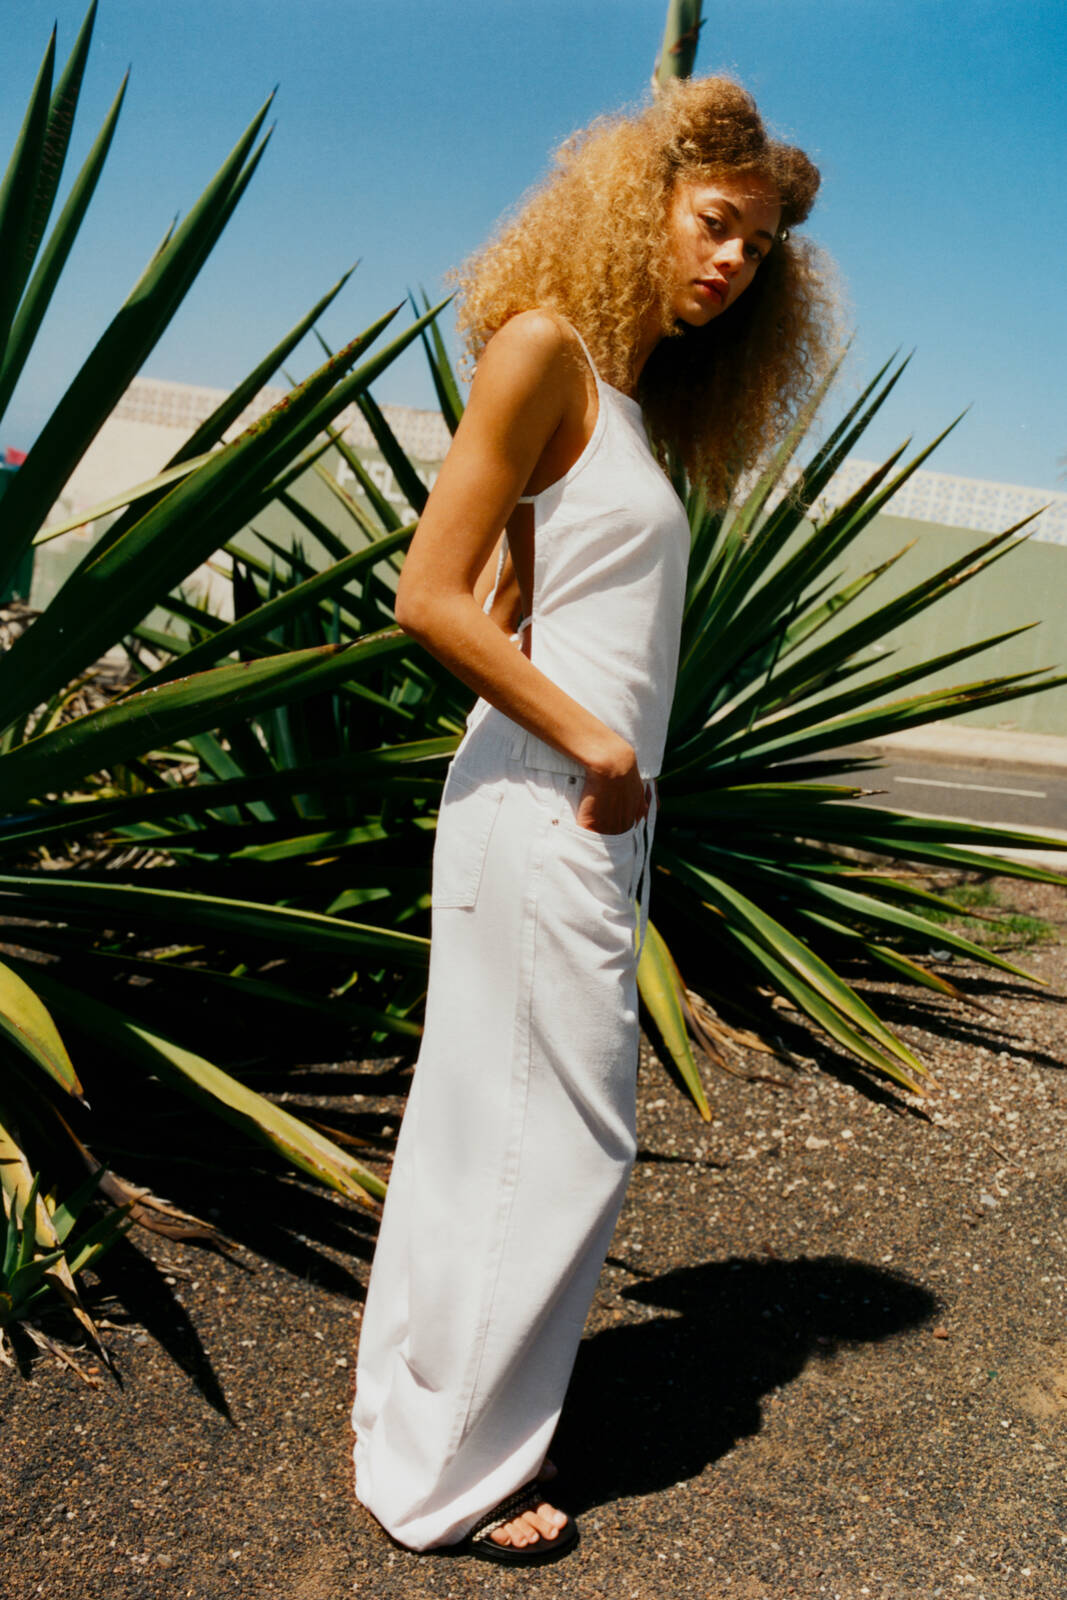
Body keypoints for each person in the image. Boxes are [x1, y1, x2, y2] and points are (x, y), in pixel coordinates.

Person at [352, 74, 837, 1566]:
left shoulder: (616, 400)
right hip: (555, 800)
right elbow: (427, 599)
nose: (731, 262)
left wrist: (602, 765)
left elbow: (512, 596)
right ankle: (455, 1478)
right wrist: (603, 751)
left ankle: (421, 1437)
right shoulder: (543, 350)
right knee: (558, 1140)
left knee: (482, 1128)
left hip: (573, 808)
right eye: (716, 224)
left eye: (756, 248)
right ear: (643, 202)